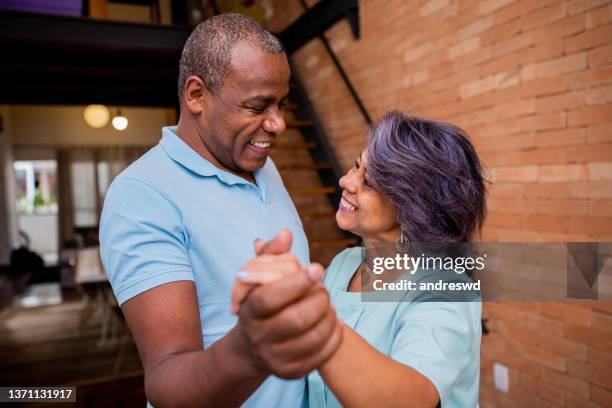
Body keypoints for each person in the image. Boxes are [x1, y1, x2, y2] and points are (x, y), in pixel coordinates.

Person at [99, 13, 342, 407]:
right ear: (196, 95)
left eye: (281, 103)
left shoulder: (262, 166)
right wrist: (251, 348)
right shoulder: (142, 195)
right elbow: (165, 382)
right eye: (258, 106)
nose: (278, 123)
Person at [233, 111, 488, 407]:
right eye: (356, 166)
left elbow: (408, 399)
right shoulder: (345, 263)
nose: (346, 181)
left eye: (370, 182)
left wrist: (314, 321)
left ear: (413, 208)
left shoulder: (446, 292)